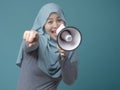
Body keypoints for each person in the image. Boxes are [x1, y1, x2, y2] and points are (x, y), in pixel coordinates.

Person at [16, 3, 79, 90]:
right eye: (50, 21)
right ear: (43, 24)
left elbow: (70, 80)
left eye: (59, 20)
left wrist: (64, 58)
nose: (55, 25)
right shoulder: (37, 39)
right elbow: (29, 46)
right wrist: (31, 40)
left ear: (64, 21)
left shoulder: (70, 47)